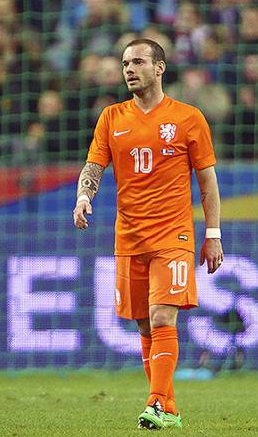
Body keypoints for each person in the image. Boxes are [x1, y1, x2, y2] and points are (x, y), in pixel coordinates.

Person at [73, 38, 224, 430]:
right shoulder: (111, 117)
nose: (129, 69)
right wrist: (83, 197)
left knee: (161, 317)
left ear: (159, 68)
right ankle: (168, 407)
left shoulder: (189, 118)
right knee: (143, 324)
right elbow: (94, 166)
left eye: (138, 61)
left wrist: (214, 233)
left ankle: (155, 404)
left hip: (173, 236)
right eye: (125, 63)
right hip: (129, 236)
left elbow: (207, 183)